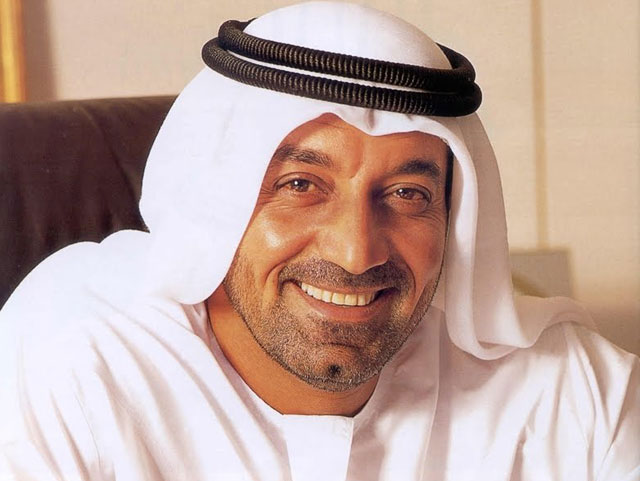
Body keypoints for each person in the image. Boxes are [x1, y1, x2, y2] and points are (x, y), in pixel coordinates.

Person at [1, 2, 638, 480]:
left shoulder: (573, 395)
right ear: (216, 201)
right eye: (301, 185)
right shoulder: (75, 361)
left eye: (407, 194)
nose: (356, 252)